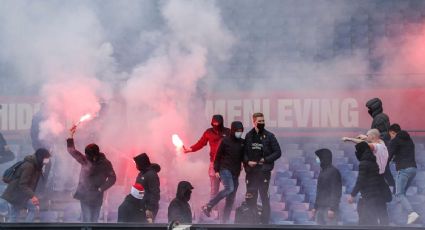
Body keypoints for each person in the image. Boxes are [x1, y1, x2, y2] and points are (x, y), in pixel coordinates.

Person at [67, 125, 116, 222]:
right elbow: (72, 151)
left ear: (94, 155)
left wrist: (101, 188)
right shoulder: (85, 160)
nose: (85, 156)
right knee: (87, 220)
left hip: (97, 196)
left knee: (94, 220)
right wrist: (70, 136)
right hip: (85, 195)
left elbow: (113, 178)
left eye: (88, 154)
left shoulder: (106, 163)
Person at [202, 121, 244, 223]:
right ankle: (209, 205)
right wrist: (216, 170)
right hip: (224, 169)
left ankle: (224, 222)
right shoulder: (225, 141)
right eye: (237, 131)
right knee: (229, 188)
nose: (239, 133)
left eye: (241, 131)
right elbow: (218, 156)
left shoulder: (243, 142)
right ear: (233, 130)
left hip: (235, 172)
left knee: (230, 199)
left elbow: (245, 155)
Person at [243, 112, 282, 224]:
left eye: (263, 121)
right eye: (259, 121)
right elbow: (244, 152)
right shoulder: (248, 136)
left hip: (264, 172)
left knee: (265, 198)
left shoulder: (270, 136)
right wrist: (247, 161)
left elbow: (278, 152)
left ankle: (265, 223)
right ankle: (253, 221)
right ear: (254, 122)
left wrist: (265, 159)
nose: (262, 123)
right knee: (251, 198)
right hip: (251, 172)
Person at [183, 114, 231, 200]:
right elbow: (201, 143)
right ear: (212, 123)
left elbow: (235, 145)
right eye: (214, 123)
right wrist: (190, 149)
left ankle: (227, 208)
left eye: (218, 123)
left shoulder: (228, 132)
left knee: (229, 188)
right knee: (214, 190)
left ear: (221, 123)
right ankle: (213, 210)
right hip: (214, 163)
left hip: (226, 164)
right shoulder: (208, 132)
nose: (216, 125)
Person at [345, 142, 390, 225]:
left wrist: (352, 195)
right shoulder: (374, 161)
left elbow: (360, 180)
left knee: (365, 222)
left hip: (369, 198)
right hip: (377, 196)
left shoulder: (364, 163)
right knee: (376, 221)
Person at [1, 148, 51, 222]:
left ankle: (25, 226)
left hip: (22, 194)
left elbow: (42, 178)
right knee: (14, 216)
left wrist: (48, 164)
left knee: (31, 209)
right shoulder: (29, 166)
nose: (47, 160)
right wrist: (33, 196)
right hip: (15, 194)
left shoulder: (36, 165)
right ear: (41, 157)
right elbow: (22, 184)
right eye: (46, 158)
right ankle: (23, 227)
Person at [388, 124, 420, 224]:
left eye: (391, 135)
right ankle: (402, 216)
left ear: (393, 132)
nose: (391, 137)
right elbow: (403, 153)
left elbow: (389, 155)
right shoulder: (409, 140)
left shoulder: (395, 140)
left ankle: (411, 213)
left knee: (399, 194)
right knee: (402, 194)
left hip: (403, 170)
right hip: (413, 170)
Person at [366, 98, 395, 189]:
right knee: (383, 170)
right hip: (382, 148)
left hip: (382, 149)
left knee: (384, 170)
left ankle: (391, 187)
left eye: (370, 109)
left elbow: (385, 134)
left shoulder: (380, 118)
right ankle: (390, 187)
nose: (369, 111)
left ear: (374, 108)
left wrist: (372, 140)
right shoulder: (379, 117)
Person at [313, 148, 342, 225]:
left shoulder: (334, 172)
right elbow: (319, 191)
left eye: (318, 157)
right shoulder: (322, 172)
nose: (317, 159)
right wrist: (315, 207)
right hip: (320, 208)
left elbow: (336, 191)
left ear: (323, 158)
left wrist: (332, 208)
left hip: (329, 209)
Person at [133, 153, 161, 223]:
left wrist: (150, 209)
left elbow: (155, 193)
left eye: (137, 163)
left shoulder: (151, 174)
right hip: (141, 207)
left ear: (142, 163)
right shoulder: (142, 173)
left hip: (148, 208)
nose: (136, 166)